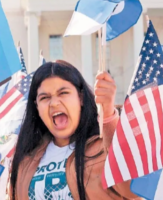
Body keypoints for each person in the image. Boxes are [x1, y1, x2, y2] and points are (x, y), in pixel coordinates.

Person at [9, 60, 138, 199]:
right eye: (45, 98)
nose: (54, 103)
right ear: (37, 107)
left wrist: (108, 115)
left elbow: (133, 189)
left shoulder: (104, 148)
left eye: (63, 93)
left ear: (81, 98)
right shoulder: (25, 162)